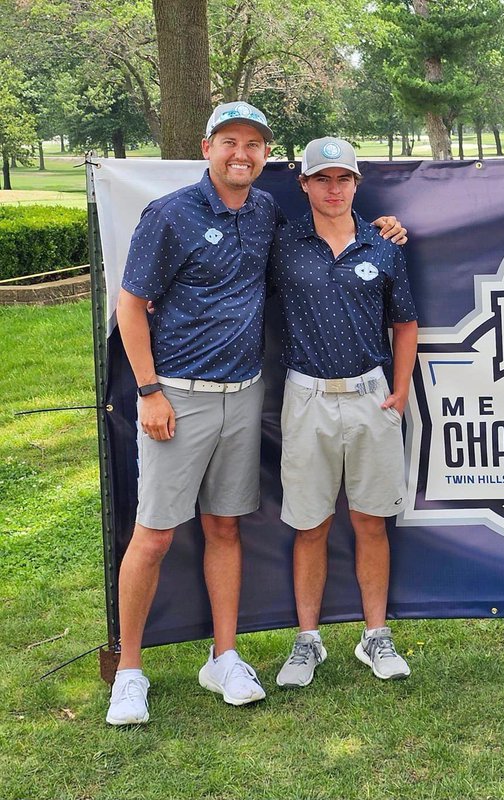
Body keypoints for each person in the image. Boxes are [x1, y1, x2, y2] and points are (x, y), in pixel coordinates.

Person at [107, 103, 406, 727]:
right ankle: (129, 671)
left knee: (224, 528)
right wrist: (149, 390)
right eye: (229, 142)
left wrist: (386, 229)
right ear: (207, 147)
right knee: (155, 535)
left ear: (266, 156)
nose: (241, 154)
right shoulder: (169, 214)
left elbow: (361, 269)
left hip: (244, 395)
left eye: (253, 144)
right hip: (177, 396)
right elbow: (131, 307)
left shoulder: (267, 215)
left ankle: (225, 656)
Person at [271, 138, 418, 688]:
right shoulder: (282, 243)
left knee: (370, 522)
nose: (334, 189)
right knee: (310, 524)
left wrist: (399, 392)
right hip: (306, 396)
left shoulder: (383, 245)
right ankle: (308, 641)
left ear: (356, 184)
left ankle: (375, 636)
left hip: (370, 395)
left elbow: (404, 323)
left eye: (344, 179)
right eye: (322, 179)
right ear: (304, 184)